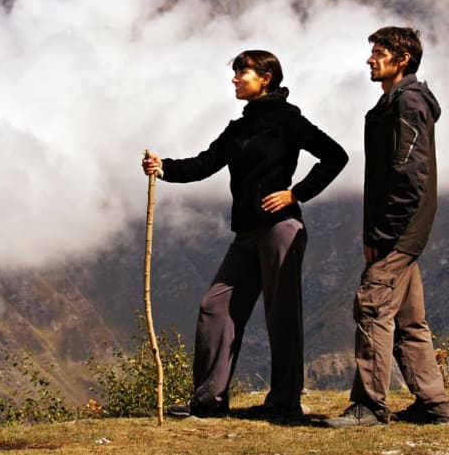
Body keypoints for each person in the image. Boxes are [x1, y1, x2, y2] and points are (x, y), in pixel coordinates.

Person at [141, 49, 348, 420]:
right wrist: (164, 168)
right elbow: (205, 163)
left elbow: (335, 155)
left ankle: (284, 402)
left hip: (281, 228)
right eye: (235, 73)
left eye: (242, 73)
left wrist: (295, 192)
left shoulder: (288, 121)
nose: (235, 79)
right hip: (247, 233)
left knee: (281, 316)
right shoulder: (240, 127)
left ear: (265, 78)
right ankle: (208, 400)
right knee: (215, 306)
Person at [320, 26, 449, 428]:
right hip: (402, 230)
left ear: (403, 59)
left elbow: (409, 173)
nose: (369, 59)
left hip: (398, 231)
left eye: (379, 52)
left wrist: (382, 233)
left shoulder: (408, 103)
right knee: (409, 320)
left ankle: (369, 405)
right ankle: (432, 403)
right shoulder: (394, 104)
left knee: (373, 307)